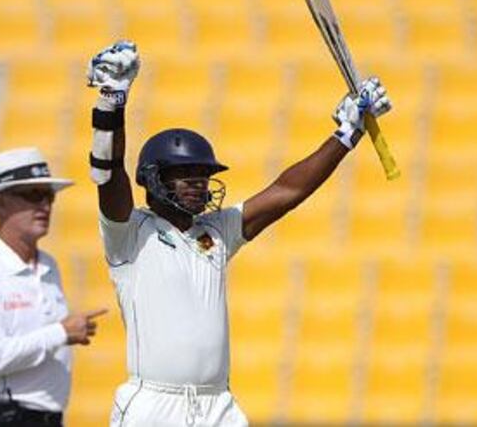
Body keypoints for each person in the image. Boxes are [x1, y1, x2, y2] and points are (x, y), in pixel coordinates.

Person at [86, 41, 392, 426]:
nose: (201, 185)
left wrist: (346, 135)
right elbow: (108, 173)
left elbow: (287, 192)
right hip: (154, 406)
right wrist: (111, 103)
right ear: (154, 178)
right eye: (188, 176)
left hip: (218, 406)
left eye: (205, 176)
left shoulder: (217, 231)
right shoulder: (130, 234)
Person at [0, 147, 108, 427]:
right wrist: (60, 332)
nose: (45, 205)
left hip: (39, 417)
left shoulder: (48, 264)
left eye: (48, 195)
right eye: (32, 195)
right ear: (0, 204)